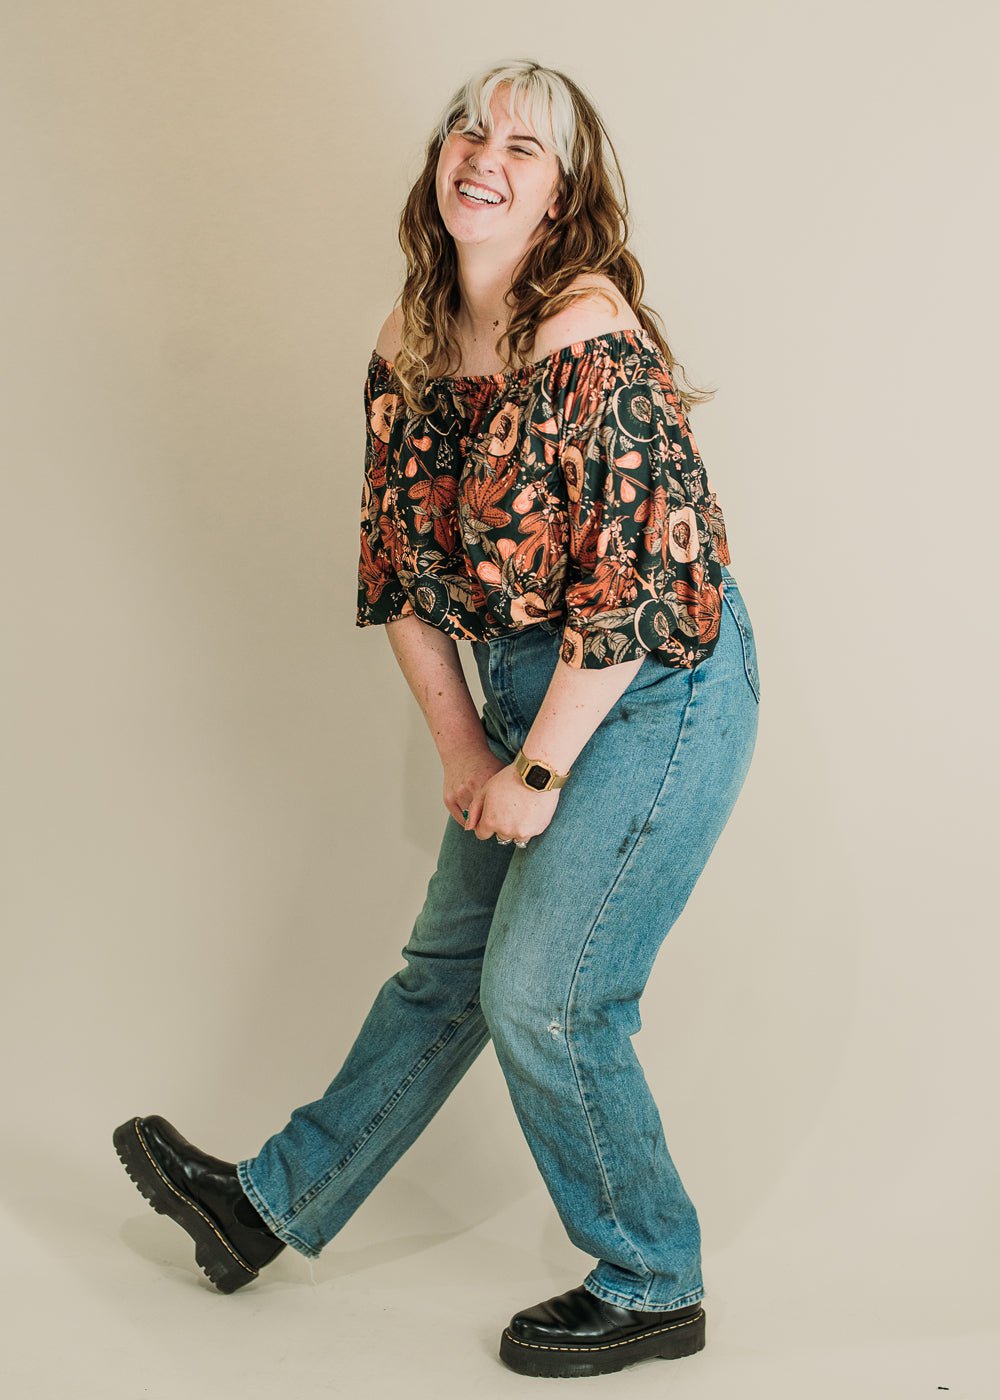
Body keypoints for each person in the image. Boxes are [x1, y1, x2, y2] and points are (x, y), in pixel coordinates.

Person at [114, 59, 761, 1380]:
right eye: (470, 130)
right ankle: (264, 1209)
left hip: (653, 686)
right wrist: (468, 749)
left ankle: (653, 1278)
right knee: (445, 970)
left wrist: (535, 769)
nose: (483, 156)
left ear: (560, 196)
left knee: (543, 993)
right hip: (526, 687)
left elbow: (633, 594)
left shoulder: (587, 333)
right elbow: (399, 576)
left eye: (523, 147)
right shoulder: (410, 341)